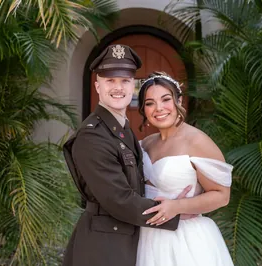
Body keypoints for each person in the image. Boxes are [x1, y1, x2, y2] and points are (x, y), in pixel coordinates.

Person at [62, 45, 192, 266]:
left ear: (133, 85)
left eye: (124, 80)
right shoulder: (93, 136)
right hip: (103, 249)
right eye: (110, 81)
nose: (118, 88)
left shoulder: (120, 129)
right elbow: (118, 199)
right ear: (97, 86)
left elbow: (133, 182)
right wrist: (173, 212)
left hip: (122, 238)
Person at [136, 71, 234, 266]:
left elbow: (222, 196)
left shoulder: (197, 141)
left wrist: (177, 207)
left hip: (186, 240)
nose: (159, 108)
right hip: (148, 238)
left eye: (166, 100)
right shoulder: (145, 144)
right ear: (143, 110)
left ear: (179, 100)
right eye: (149, 103)